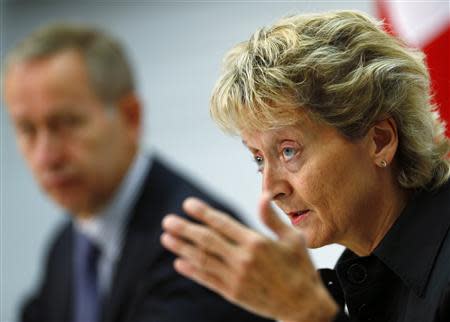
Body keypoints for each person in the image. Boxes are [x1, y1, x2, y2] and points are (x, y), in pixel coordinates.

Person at [161, 10, 450, 322]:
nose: (271, 190)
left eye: (288, 151)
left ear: (379, 140)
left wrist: (310, 313)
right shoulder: (370, 273)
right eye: (258, 158)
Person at [2, 24, 274, 322]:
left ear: (131, 117)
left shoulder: (196, 240)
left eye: (66, 123)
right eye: (27, 130)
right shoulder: (65, 246)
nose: (45, 156)